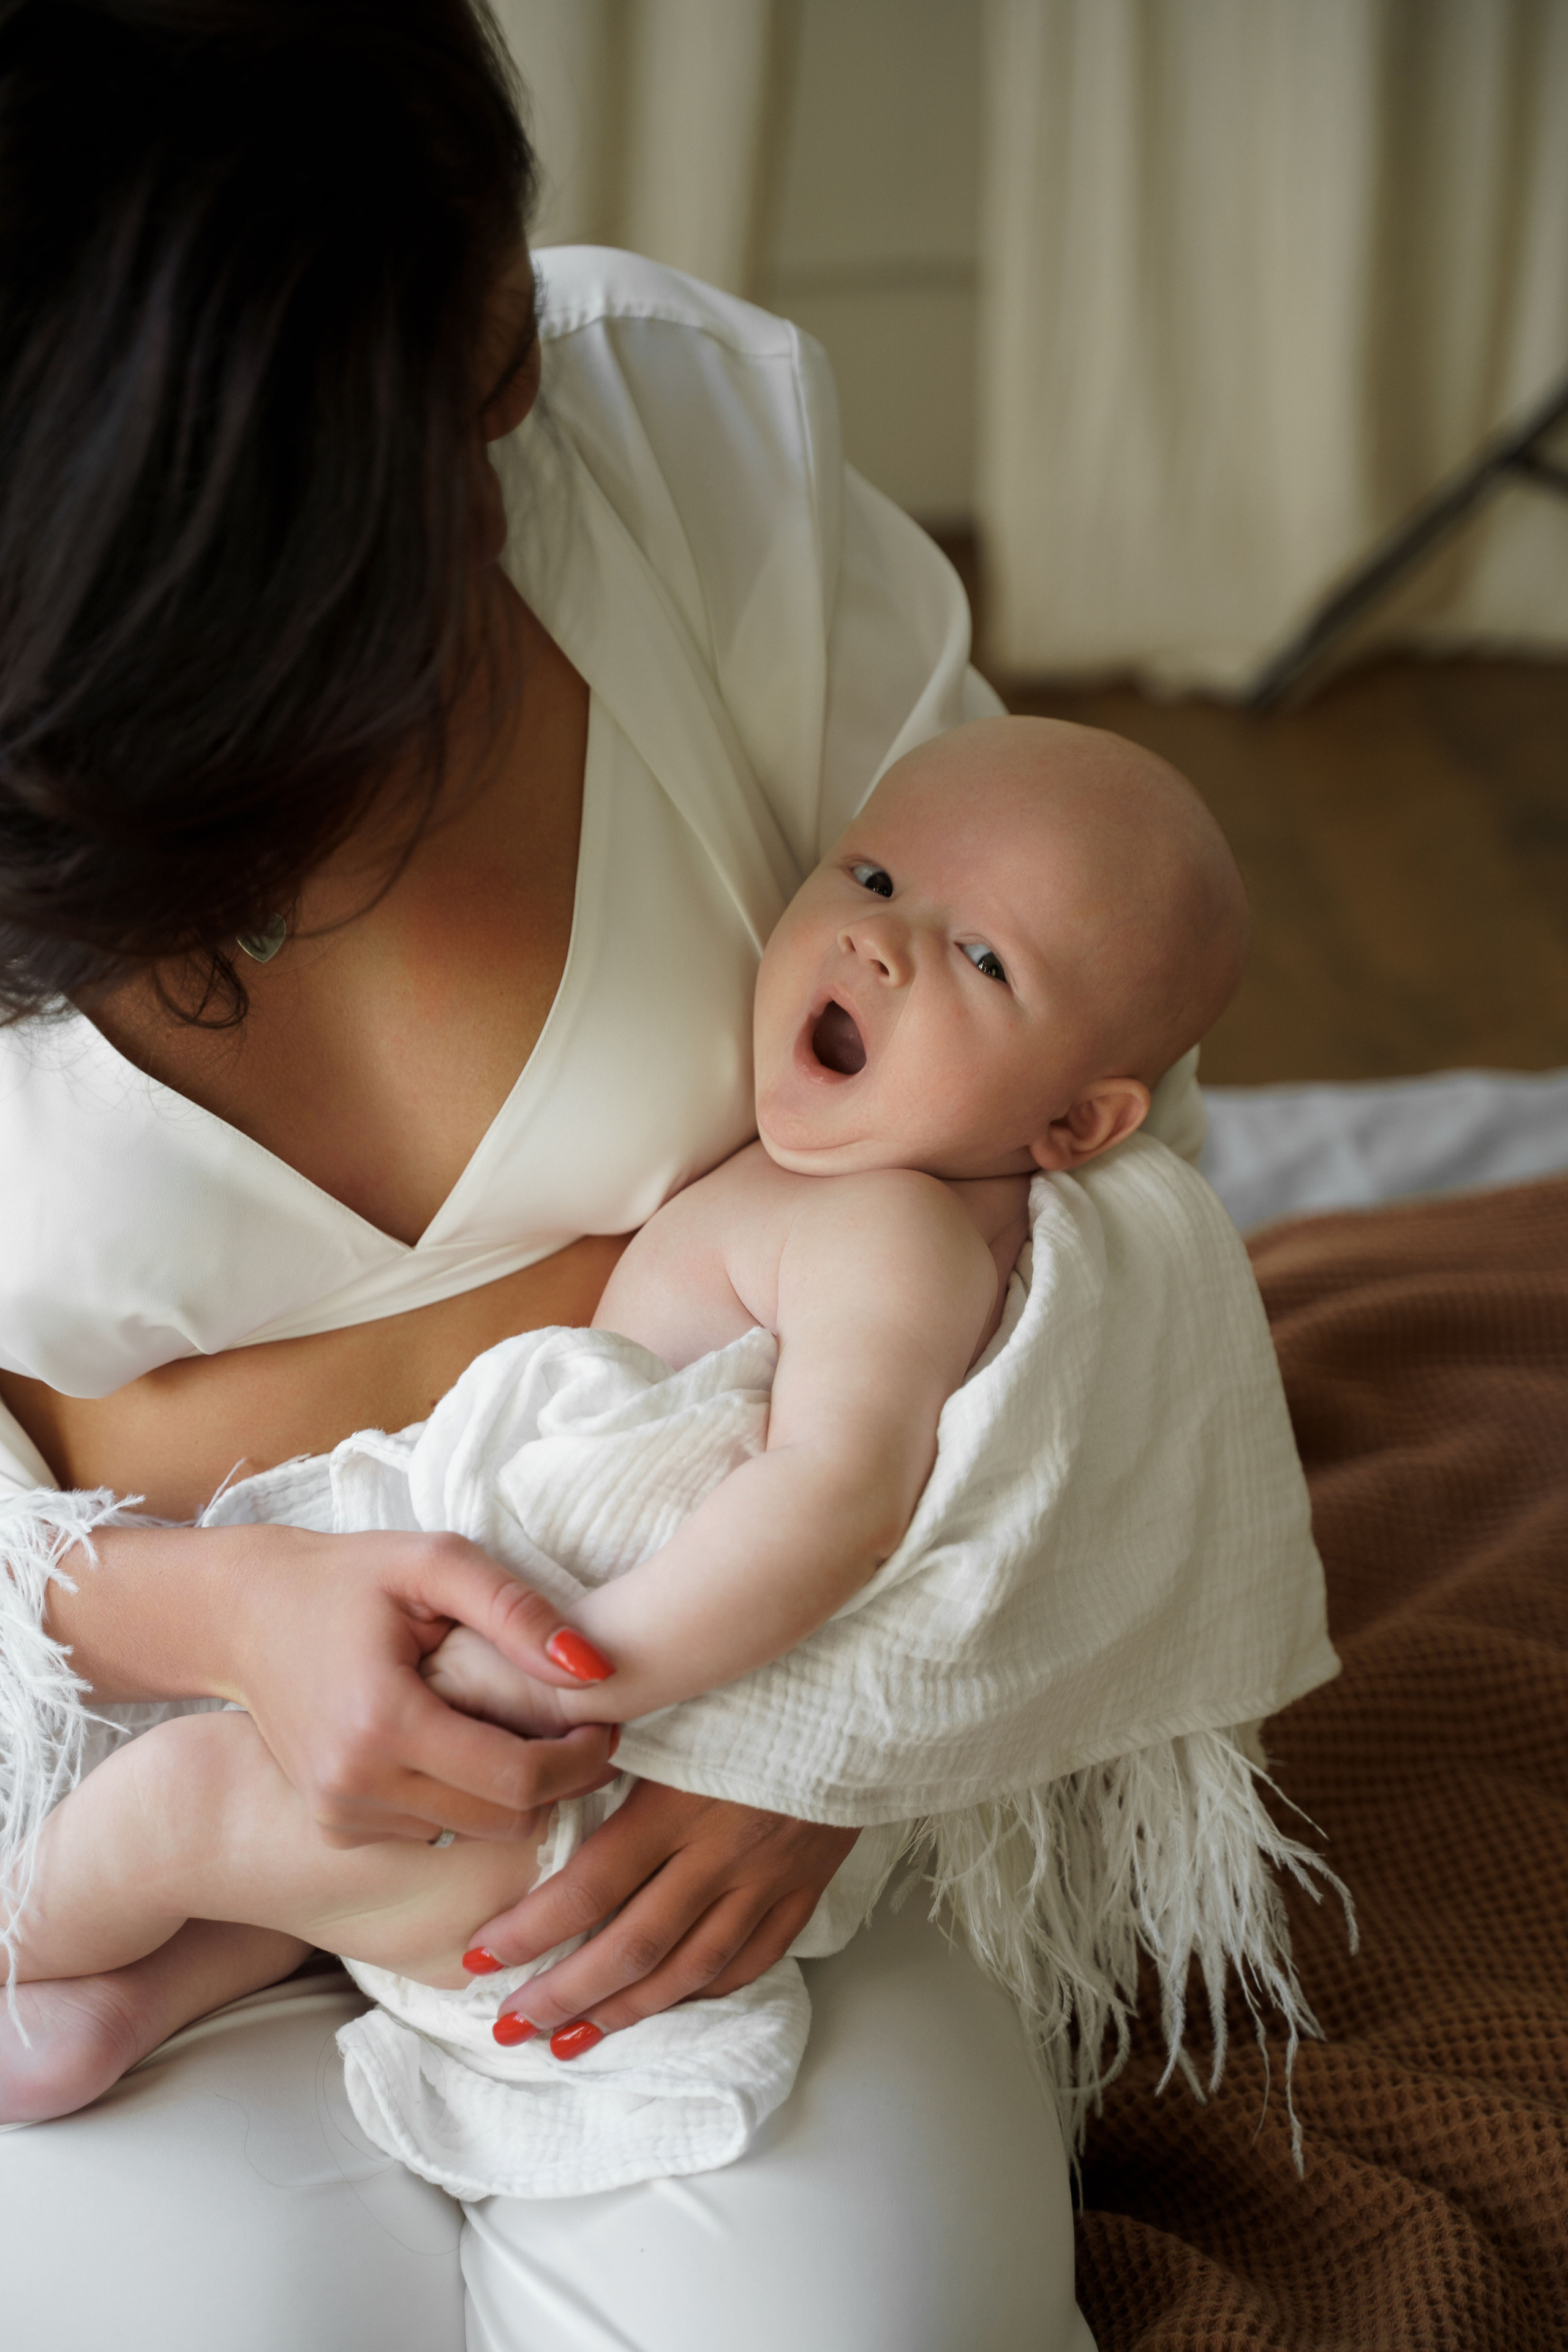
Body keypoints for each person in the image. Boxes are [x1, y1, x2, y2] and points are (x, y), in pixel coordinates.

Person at [0, 4, 1206, 2343]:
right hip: (88, 1747)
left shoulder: (676, 459)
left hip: (714, 1759)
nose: (529, 373)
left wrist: (821, 1735)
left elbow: (1101, 1118)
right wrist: (186, 1606)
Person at [4, 715, 1247, 2111]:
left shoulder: (893, 1234)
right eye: (874, 879)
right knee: (287, 1876)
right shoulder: (844, 1180)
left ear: (1074, 1129)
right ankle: (129, 2001)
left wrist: (571, 1679)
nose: (880, 944)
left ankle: (27, 1945)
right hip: (504, 1809)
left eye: (981, 959)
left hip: (584, 1770)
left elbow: (834, 1496)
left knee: (188, 1809)